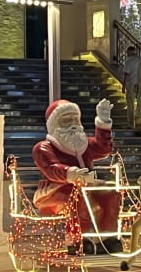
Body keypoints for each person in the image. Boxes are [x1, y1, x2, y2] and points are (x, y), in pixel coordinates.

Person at [32, 98, 122, 254]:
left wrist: (103, 122)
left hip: (86, 187)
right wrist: (70, 174)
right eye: (67, 121)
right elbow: (51, 168)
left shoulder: (83, 144)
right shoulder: (43, 148)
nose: (73, 124)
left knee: (110, 192)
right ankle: (78, 239)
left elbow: (103, 148)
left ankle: (108, 238)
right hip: (53, 192)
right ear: (55, 125)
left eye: (76, 119)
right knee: (79, 195)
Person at [121, 46, 141, 128]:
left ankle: (131, 124)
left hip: (131, 85)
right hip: (140, 85)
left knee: (130, 105)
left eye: (127, 52)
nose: (126, 54)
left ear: (130, 52)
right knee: (140, 105)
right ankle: (140, 123)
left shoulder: (128, 61)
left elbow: (126, 74)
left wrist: (123, 86)